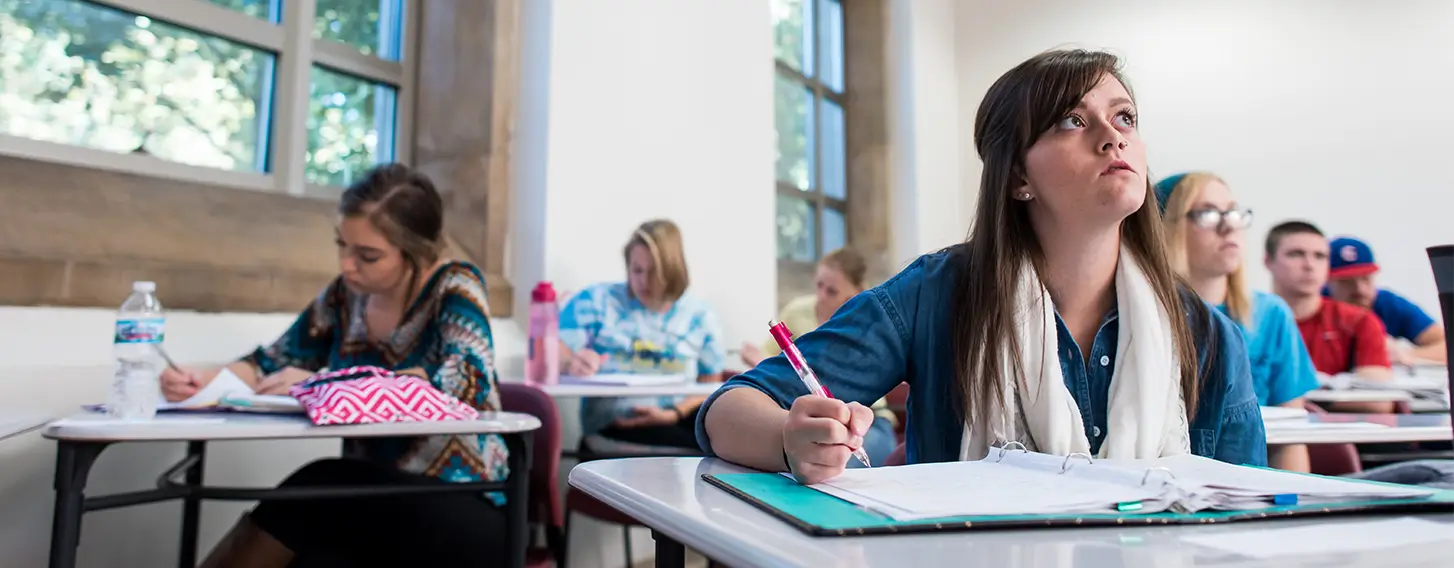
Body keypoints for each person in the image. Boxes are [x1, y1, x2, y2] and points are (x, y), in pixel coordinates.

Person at [697, 49, 1264, 484]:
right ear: (1017, 178)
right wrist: (791, 440)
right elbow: (727, 410)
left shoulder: (1207, 334)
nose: (1112, 136)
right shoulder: (937, 292)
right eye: (1072, 119)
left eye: (1125, 117)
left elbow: (1248, 511)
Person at [160, 164, 510, 567]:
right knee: (308, 535)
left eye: (368, 255)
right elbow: (271, 361)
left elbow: (467, 380)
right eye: (342, 245)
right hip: (372, 501)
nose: (347, 264)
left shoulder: (455, 286)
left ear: (416, 252)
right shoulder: (346, 297)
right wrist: (206, 383)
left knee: (314, 489)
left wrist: (326, 383)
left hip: (465, 501)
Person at [1155, 172, 1318, 472]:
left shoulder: (1270, 314)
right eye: (1207, 214)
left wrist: (1288, 509)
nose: (1228, 225)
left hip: (1254, 480)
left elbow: (1292, 439)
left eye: (1232, 212)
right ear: (1163, 228)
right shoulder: (1148, 315)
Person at [560, 219, 726, 450]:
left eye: (654, 272)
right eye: (637, 270)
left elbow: (710, 387)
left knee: (726, 436)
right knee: (708, 450)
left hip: (678, 419)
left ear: (672, 270)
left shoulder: (700, 316)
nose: (643, 282)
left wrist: (675, 413)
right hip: (616, 424)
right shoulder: (597, 301)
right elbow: (551, 352)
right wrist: (570, 362)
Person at [738, 247, 899, 467]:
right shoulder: (798, 311)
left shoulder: (866, 322)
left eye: (831, 291)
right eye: (819, 285)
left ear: (854, 295)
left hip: (868, 421)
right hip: (815, 421)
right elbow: (763, 359)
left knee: (832, 466)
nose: (821, 296)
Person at [1264, 221, 1393, 413]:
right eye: (1296, 254)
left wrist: (1297, 393)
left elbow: (1379, 402)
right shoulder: (1244, 321)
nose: (1309, 265)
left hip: (1339, 437)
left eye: (1320, 256)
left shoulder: (1360, 321)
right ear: (1268, 261)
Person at [1323, 236, 1447, 364]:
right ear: (1326, 280)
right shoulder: (1314, 305)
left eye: (1365, 278)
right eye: (1346, 282)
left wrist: (1404, 355)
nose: (1359, 289)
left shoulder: (1388, 304)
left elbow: (1446, 346)